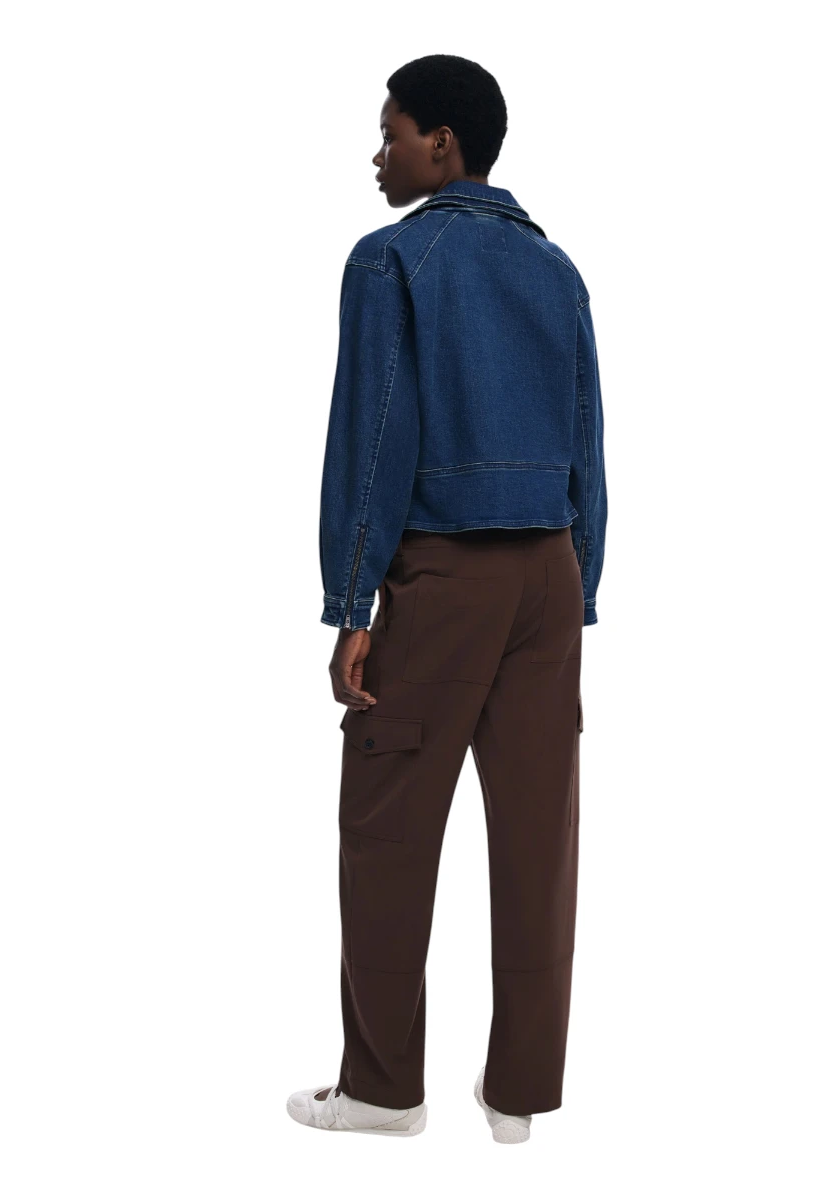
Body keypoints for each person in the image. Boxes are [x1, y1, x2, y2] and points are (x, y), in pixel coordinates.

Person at [287, 54, 607, 1142]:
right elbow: (588, 437)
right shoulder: (555, 267)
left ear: (442, 143)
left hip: (444, 576)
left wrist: (351, 605)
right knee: (538, 837)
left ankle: (384, 1091)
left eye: (391, 132)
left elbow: (373, 438)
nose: (377, 155)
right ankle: (518, 1098)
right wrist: (582, 583)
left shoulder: (392, 259)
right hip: (548, 575)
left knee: (387, 825)